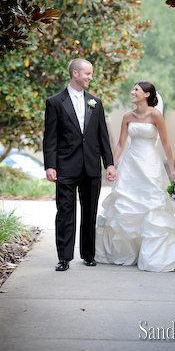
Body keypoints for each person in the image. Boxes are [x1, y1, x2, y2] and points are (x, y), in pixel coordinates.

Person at [95, 80, 175, 272]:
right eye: (133, 89)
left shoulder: (156, 115)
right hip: (130, 164)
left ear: (147, 95)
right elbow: (120, 144)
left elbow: (166, 143)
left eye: (136, 90)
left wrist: (172, 169)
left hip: (150, 164)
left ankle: (153, 253)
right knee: (126, 205)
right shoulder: (127, 116)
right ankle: (127, 252)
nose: (132, 92)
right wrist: (111, 165)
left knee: (151, 205)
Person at [43, 58, 116, 271]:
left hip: (91, 166)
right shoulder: (55, 102)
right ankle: (64, 258)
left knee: (90, 212)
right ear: (75, 74)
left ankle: (88, 254)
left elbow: (103, 136)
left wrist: (109, 164)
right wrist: (50, 165)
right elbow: (50, 138)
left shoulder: (96, 102)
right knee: (65, 212)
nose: (90, 78)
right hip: (65, 166)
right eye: (88, 74)